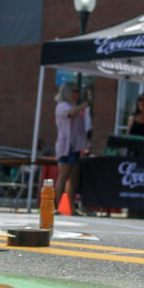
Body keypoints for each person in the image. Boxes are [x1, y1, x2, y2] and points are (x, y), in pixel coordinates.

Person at [53, 82, 88, 213]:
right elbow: (70, 113)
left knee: (72, 179)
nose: (77, 94)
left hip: (75, 147)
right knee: (63, 176)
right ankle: (57, 207)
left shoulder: (73, 106)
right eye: (74, 91)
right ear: (67, 92)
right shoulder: (62, 106)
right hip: (65, 147)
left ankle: (70, 207)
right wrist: (83, 106)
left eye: (78, 91)